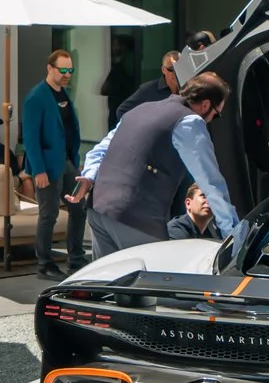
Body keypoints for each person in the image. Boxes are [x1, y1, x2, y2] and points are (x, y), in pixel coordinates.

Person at [82, 73, 239, 258]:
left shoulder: (140, 109)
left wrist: (88, 177)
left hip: (98, 208)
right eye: (216, 114)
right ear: (205, 105)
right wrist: (232, 234)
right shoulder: (190, 122)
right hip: (135, 218)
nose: (213, 119)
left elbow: (99, 150)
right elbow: (210, 182)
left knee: (106, 281)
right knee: (152, 281)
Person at [21, 48, 88, 279]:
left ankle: (76, 258)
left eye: (70, 70)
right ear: (50, 68)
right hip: (47, 165)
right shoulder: (37, 97)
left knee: (79, 209)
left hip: (67, 161)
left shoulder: (64, 94)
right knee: (48, 214)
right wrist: (38, 169)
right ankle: (45, 263)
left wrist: (75, 160)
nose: (67, 74)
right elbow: (30, 138)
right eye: (63, 70)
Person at [112, 49, 183, 127]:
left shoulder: (189, 89)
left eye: (179, 68)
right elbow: (122, 111)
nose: (176, 73)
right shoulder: (148, 89)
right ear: (163, 70)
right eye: (171, 69)